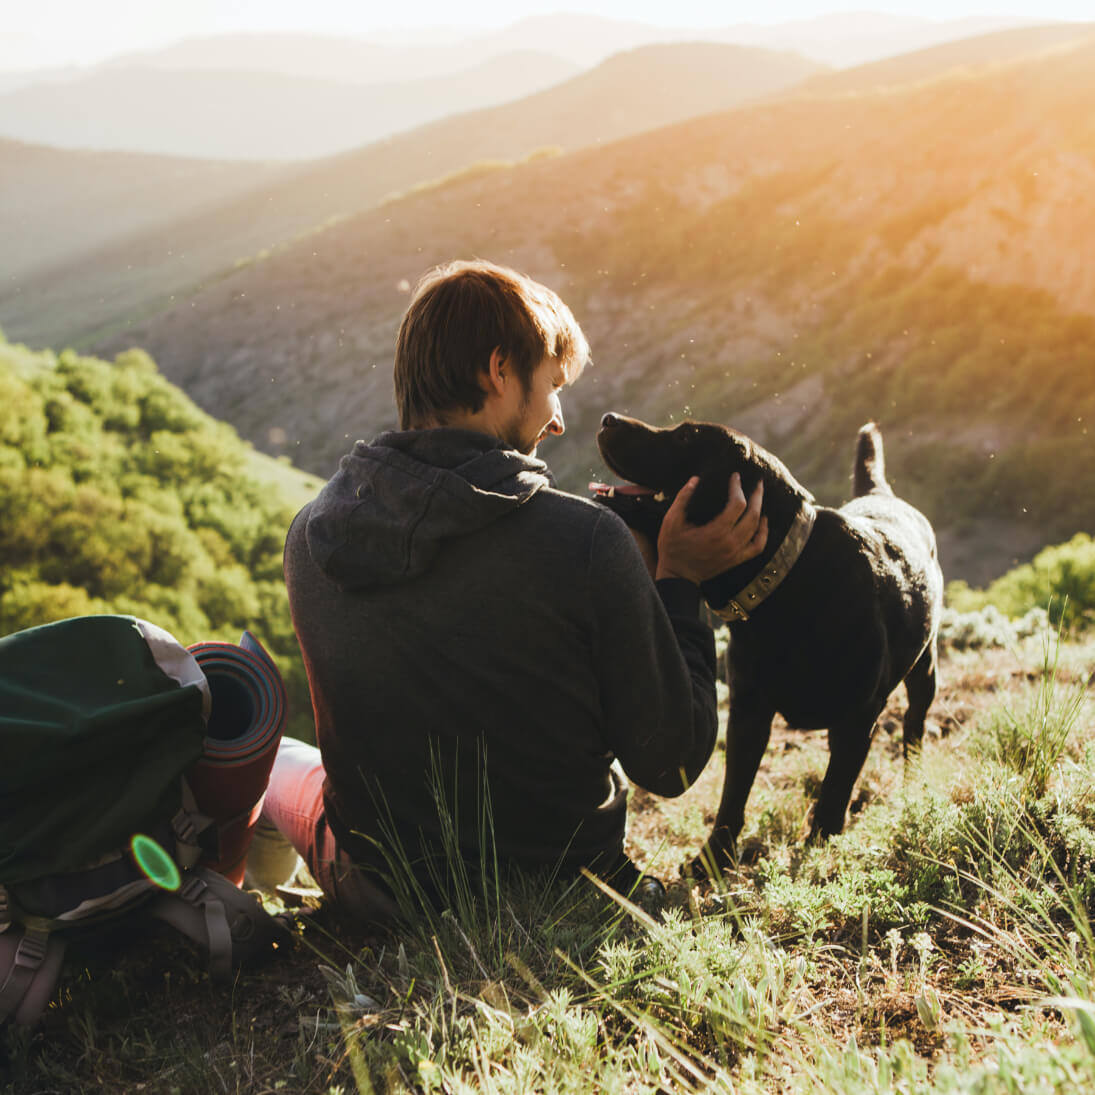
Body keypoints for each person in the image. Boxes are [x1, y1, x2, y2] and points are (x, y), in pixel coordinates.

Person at [248, 259, 767, 920]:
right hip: (564, 886)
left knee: (276, 766)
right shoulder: (584, 541)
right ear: (498, 371)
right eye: (552, 385)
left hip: (382, 894)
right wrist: (678, 583)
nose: (557, 420)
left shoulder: (310, 539)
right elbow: (669, 765)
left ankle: (261, 910)